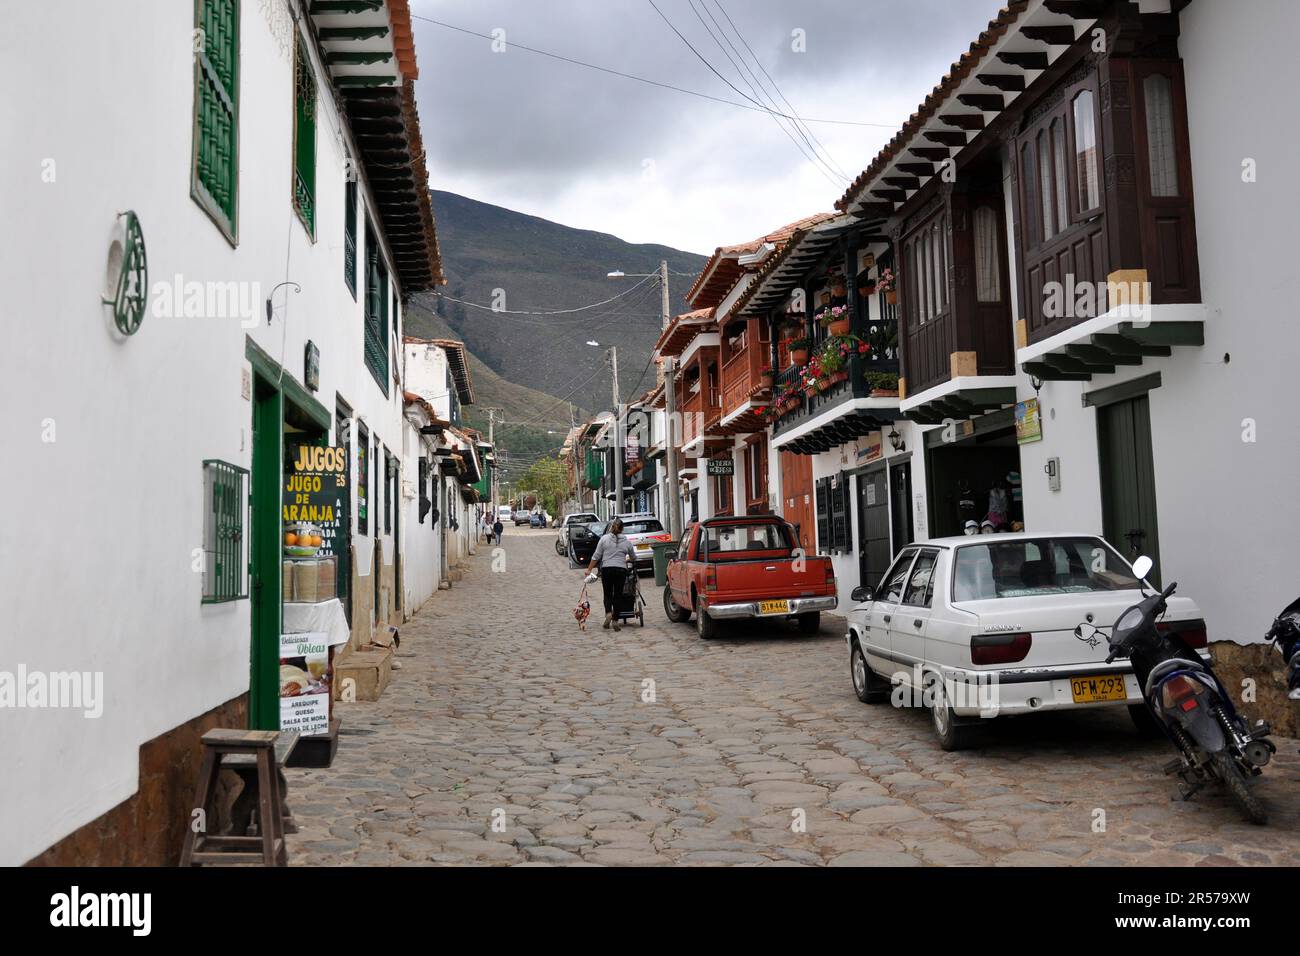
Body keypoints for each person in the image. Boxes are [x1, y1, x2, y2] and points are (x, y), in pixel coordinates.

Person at [586, 518, 636, 631]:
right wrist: (628, 559)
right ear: (622, 529)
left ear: (611, 527)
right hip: (621, 570)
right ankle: (615, 620)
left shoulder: (604, 539)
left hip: (607, 570)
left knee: (607, 594)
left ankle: (608, 613)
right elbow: (633, 557)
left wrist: (589, 570)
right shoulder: (627, 542)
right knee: (618, 595)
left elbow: (596, 556)